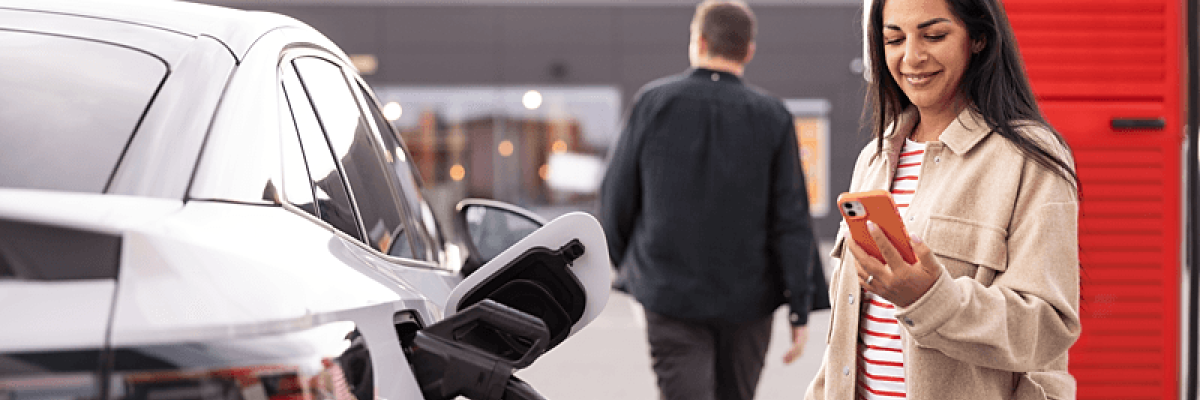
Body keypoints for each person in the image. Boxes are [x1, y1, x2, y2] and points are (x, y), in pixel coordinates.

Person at [804, 0, 1081, 398]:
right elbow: (845, 339)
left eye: (934, 35)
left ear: (979, 38)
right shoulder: (875, 158)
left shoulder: (1030, 158)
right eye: (894, 39)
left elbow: (1047, 329)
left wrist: (932, 300)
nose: (912, 57)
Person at [599, 1, 826, 400]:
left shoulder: (653, 103)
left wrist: (612, 266)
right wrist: (799, 306)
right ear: (749, 50)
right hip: (749, 301)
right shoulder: (773, 116)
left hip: (669, 294)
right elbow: (791, 218)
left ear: (698, 41)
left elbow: (617, 197)